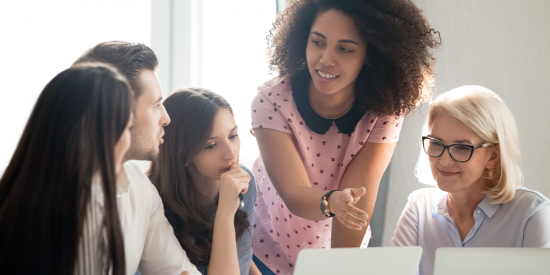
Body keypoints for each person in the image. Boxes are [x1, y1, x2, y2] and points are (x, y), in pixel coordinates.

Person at [250, 0, 441, 274]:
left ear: (370, 55)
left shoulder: (384, 111)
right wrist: (331, 202)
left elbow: (358, 197)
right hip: (264, 247)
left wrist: (340, 267)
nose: (326, 58)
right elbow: (293, 192)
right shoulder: (270, 101)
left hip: (331, 249)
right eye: (317, 42)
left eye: (345, 48)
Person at [390, 85, 550, 275]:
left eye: (462, 148)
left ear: (493, 157)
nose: (444, 160)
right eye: (436, 143)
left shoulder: (531, 214)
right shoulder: (419, 207)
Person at [74, 42, 200, 275]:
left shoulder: (139, 186)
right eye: (156, 105)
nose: (166, 118)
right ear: (117, 113)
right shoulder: (40, 196)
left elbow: (175, 270)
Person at [0, 63, 132, 275]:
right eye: (128, 127)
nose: (128, 139)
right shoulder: (88, 204)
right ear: (101, 134)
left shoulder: (14, 193)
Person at [148, 88, 260, 275]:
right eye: (211, 145)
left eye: (233, 136)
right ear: (182, 154)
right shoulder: (154, 205)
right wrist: (225, 213)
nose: (231, 154)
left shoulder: (242, 180)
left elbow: (243, 257)